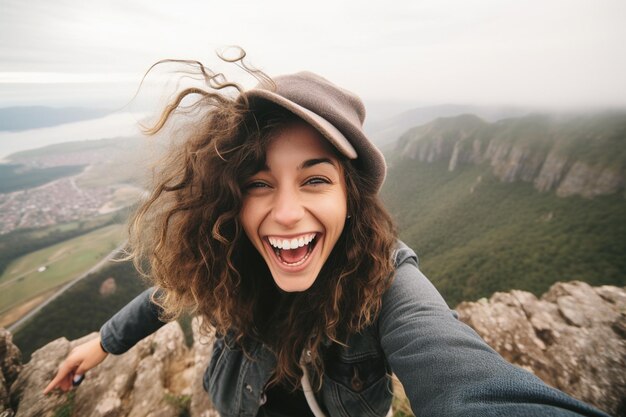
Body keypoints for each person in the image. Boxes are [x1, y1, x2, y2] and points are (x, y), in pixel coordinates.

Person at [44, 55, 611, 417]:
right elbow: (171, 291)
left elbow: (466, 379)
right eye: (258, 184)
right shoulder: (229, 252)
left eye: (315, 179)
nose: (287, 212)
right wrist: (103, 343)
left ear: (350, 196)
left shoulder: (387, 283)